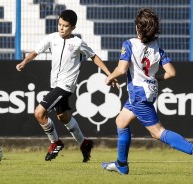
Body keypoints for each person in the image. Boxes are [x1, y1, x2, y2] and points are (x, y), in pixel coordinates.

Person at [101, 8, 193, 175]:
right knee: (121, 122)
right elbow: (172, 72)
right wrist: (154, 78)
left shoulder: (129, 44)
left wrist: (109, 77)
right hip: (148, 92)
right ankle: (121, 164)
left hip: (138, 94)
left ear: (137, 27)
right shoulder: (158, 49)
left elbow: (122, 69)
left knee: (157, 132)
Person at [16, 9, 117, 162]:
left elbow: (94, 57)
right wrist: (24, 61)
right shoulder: (51, 38)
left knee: (39, 113)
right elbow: (36, 52)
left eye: (65, 26)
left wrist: (109, 74)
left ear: (73, 28)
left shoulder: (77, 43)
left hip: (65, 86)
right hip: (55, 85)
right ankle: (84, 143)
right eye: (60, 24)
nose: (61, 28)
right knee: (63, 117)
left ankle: (55, 143)